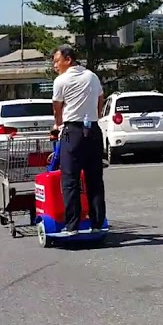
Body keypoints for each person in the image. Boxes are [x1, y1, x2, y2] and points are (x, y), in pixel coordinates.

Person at [49, 45, 106, 234]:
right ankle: (97, 224)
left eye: (57, 61)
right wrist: (95, 116)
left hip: (72, 131)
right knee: (94, 179)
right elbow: (100, 99)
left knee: (70, 179)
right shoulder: (92, 76)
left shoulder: (61, 81)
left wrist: (57, 125)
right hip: (93, 130)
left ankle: (72, 225)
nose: (55, 66)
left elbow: (57, 107)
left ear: (68, 60)